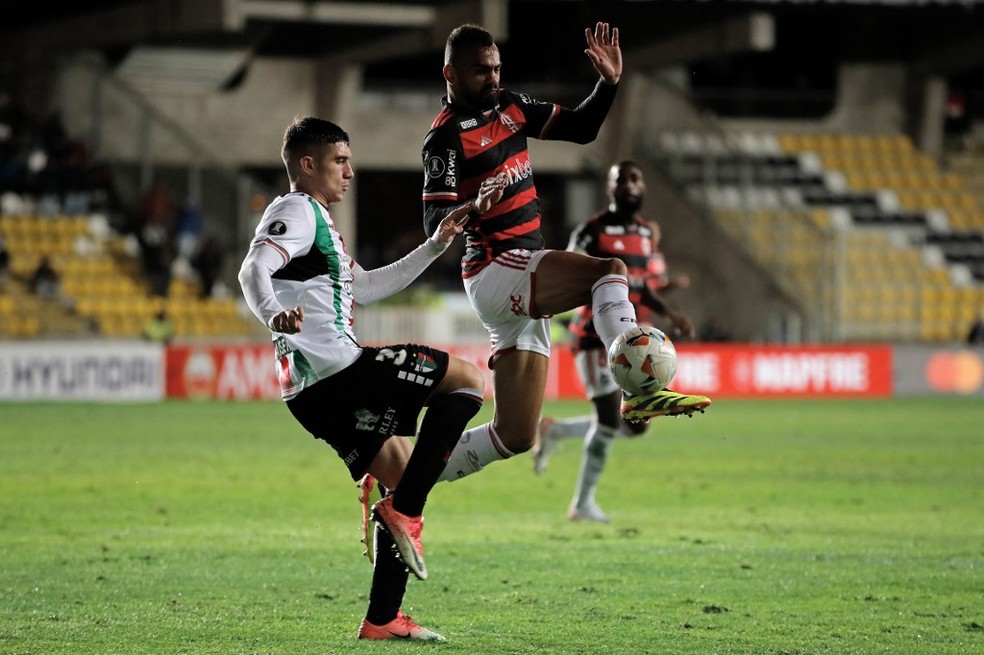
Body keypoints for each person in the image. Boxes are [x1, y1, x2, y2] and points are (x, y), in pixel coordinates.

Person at [238, 117, 505, 641]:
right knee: (467, 380)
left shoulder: (318, 221)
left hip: (311, 394)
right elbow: (253, 269)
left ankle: (383, 618)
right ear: (308, 164)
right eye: (340, 160)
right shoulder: (296, 209)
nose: (350, 172)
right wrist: (272, 313)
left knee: (403, 474)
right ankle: (403, 513)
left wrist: (436, 244)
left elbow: (365, 287)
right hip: (341, 371)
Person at [421, 23, 711, 482]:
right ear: (450, 74)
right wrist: (475, 206)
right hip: (495, 267)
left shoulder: (511, 106)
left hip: (520, 276)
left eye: (496, 68)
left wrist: (608, 83)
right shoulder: (445, 137)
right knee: (609, 270)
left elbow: (581, 128)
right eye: (480, 70)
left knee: (516, 435)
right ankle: (639, 388)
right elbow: (434, 222)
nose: (493, 78)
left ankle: (400, 477)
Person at [533, 160, 698, 522]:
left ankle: (555, 430)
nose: (628, 185)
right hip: (593, 338)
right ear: (610, 188)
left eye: (634, 179)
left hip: (629, 339)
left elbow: (641, 285)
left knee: (637, 426)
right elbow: (568, 272)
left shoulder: (646, 233)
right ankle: (582, 504)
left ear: (643, 187)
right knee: (610, 422)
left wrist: (670, 314)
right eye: (620, 180)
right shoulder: (591, 231)